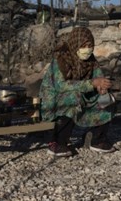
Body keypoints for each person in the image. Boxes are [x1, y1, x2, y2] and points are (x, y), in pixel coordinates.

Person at [39, 27, 115, 157]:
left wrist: (102, 87)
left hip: (82, 94)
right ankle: (57, 142)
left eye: (90, 45)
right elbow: (61, 86)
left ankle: (96, 139)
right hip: (54, 100)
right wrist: (92, 83)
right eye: (83, 45)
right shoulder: (60, 61)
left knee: (108, 100)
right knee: (72, 98)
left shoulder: (91, 61)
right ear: (75, 45)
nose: (87, 49)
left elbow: (98, 76)